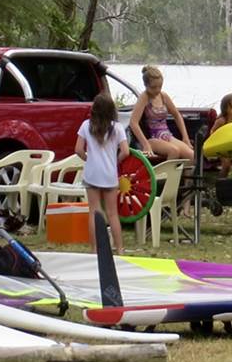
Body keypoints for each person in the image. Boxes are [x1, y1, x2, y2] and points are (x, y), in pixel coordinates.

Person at [76, 93, 130, 257]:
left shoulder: (86, 125)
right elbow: (126, 151)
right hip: (109, 174)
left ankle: (94, 250)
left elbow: (78, 150)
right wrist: (115, 161)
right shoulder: (117, 128)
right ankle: (119, 248)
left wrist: (88, 159)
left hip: (92, 173)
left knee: (94, 212)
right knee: (112, 213)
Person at [130, 65, 193, 161]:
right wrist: (145, 144)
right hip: (153, 138)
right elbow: (133, 122)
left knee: (192, 155)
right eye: (153, 87)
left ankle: (182, 171)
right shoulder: (144, 97)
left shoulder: (163, 96)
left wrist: (185, 138)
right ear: (145, 85)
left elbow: (177, 115)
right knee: (174, 151)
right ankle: (168, 171)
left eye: (160, 87)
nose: (157, 90)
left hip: (167, 135)